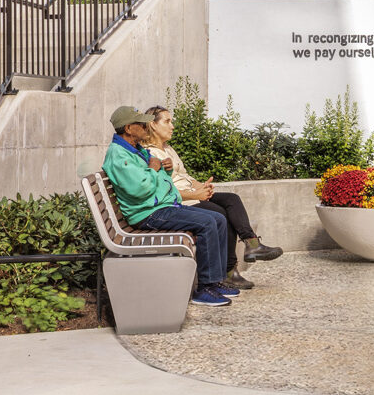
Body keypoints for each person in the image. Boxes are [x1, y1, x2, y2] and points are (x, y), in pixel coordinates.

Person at [102, 104, 239, 307]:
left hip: (160, 207)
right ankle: (204, 289)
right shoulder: (119, 155)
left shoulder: (134, 149)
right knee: (208, 223)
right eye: (142, 124)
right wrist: (153, 167)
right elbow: (140, 189)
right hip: (147, 214)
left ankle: (215, 282)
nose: (146, 127)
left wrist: (164, 169)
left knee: (218, 219)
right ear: (129, 128)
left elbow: (154, 178)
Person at [142, 105, 282, 291]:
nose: (172, 126)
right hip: (181, 201)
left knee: (232, 199)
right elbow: (163, 191)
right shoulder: (150, 154)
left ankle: (252, 244)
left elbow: (184, 176)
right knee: (220, 214)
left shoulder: (168, 149)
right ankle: (228, 272)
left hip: (193, 194)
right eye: (167, 121)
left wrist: (202, 186)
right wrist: (196, 194)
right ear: (153, 125)